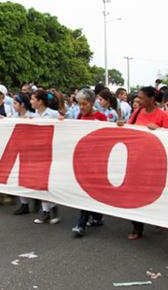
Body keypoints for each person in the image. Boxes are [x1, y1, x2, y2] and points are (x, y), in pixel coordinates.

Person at [117, 86, 168, 240]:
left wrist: (160, 130)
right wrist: (123, 125)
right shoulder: (137, 113)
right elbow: (130, 129)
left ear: (151, 99)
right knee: (134, 194)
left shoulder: (163, 115)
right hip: (135, 161)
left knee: (152, 194)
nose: (138, 100)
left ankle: (158, 219)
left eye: (141, 98)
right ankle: (137, 227)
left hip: (154, 163)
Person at [71, 88, 107, 237]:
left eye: (84, 104)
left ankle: (81, 225)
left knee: (86, 192)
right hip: (83, 160)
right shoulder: (80, 116)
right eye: (79, 104)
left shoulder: (101, 117)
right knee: (87, 192)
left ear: (92, 103)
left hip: (96, 162)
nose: (81, 107)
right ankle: (97, 217)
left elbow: (107, 138)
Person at [31, 89, 62, 224]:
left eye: (33, 99)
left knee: (49, 183)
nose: (31, 102)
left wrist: (63, 121)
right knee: (40, 184)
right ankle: (46, 212)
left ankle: (53, 210)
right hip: (38, 154)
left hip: (52, 153)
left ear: (40, 101)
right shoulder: (33, 116)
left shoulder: (54, 114)